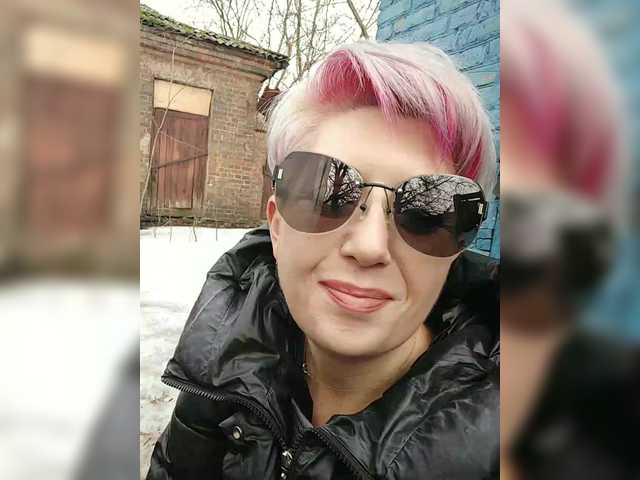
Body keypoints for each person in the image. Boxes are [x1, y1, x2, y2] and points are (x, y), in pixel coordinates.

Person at [147, 40, 499, 480]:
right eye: (327, 194)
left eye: (427, 212)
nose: (369, 247)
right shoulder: (219, 371)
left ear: (457, 248)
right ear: (276, 226)